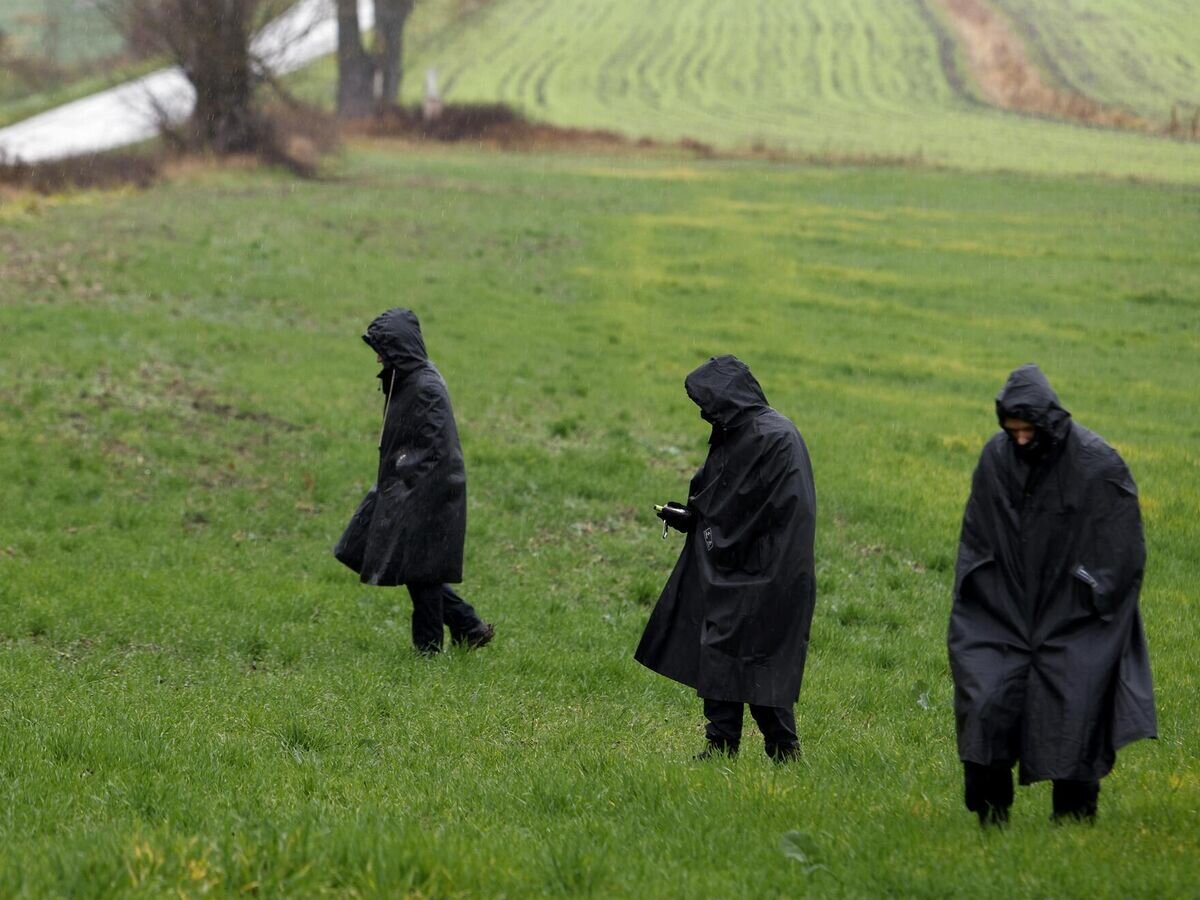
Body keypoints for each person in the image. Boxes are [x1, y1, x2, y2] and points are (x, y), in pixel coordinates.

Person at [949, 363, 1155, 826]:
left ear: (1050, 422)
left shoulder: (1098, 463)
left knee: (1075, 712)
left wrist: (1087, 594)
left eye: (1029, 430)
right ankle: (990, 817)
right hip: (1000, 614)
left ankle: (1074, 823)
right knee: (985, 705)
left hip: (1076, 617)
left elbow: (1122, 551)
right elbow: (976, 539)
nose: (1020, 438)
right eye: (1012, 429)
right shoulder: (994, 459)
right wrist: (984, 597)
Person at [635, 355, 817, 761]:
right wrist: (691, 517)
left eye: (707, 402)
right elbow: (725, 498)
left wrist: (710, 526)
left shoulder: (769, 437)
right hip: (740, 565)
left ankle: (783, 749)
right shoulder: (741, 430)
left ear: (727, 397)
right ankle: (721, 746)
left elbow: (753, 508)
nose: (703, 412)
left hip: (768, 571)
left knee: (756, 661)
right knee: (720, 653)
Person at [335, 308, 494, 654]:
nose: (377, 357)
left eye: (383, 349)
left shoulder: (425, 387)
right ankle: (468, 626)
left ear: (398, 349)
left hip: (424, 493)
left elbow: (438, 449)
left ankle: (430, 650)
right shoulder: (405, 380)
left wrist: (406, 484)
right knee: (381, 555)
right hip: (403, 487)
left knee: (420, 570)